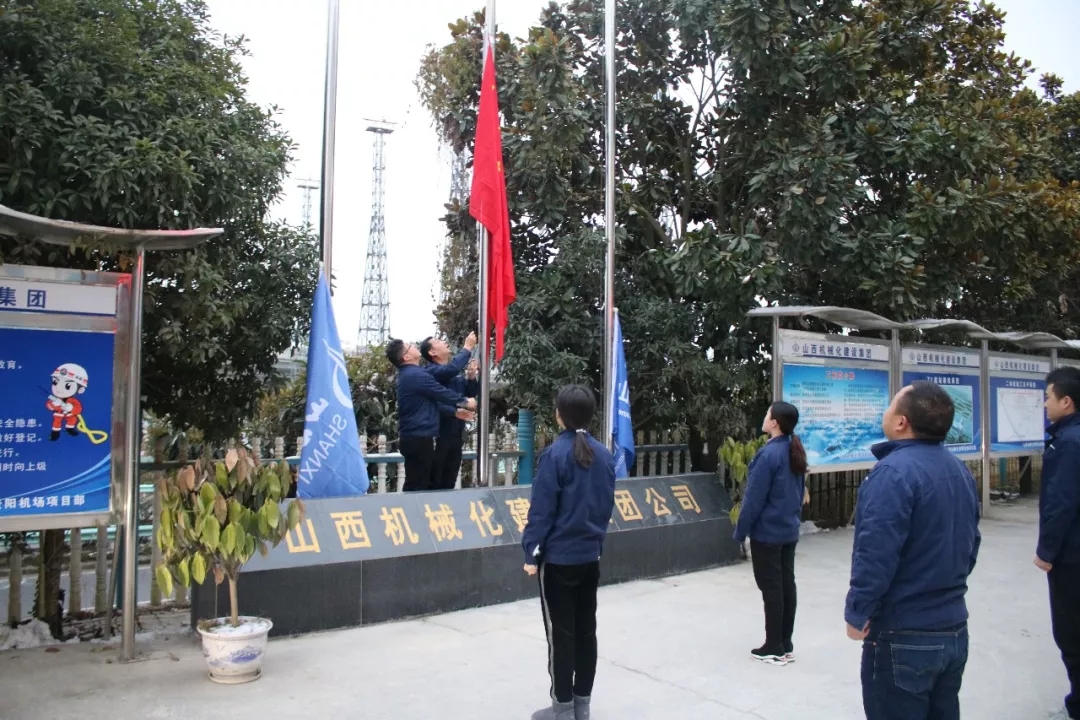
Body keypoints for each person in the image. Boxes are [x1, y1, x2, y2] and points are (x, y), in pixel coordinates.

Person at [846, 381, 981, 720]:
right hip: (954, 630)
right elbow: (970, 544)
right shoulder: (959, 470)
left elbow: (875, 554)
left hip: (903, 635)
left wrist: (858, 611)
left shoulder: (892, 474)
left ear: (901, 422)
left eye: (891, 405)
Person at [521, 385, 616, 720]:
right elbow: (605, 506)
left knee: (560, 636)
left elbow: (542, 511)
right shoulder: (604, 455)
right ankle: (582, 706)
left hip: (559, 561)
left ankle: (562, 709)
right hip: (590, 557)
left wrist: (531, 553)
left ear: (558, 415)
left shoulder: (554, 455)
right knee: (586, 632)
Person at [733, 401, 808, 666]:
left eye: (768, 414)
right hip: (788, 529)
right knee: (786, 585)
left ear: (774, 422)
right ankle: (785, 643)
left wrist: (740, 531)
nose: (765, 417)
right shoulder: (793, 448)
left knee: (772, 589)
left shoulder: (768, 455)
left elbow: (753, 499)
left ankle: (773, 646)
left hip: (768, 533)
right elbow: (799, 492)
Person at [1039, 367, 1080, 720]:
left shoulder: (1068, 443)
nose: (1044, 404)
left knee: (1071, 633)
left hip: (1072, 556)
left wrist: (1046, 551)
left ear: (1066, 401)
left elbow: (1061, 502)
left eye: (1047, 397)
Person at [385, 338, 475, 492]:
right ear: (406, 357)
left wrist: (457, 408)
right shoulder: (416, 375)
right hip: (418, 437)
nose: (414, 345)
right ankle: (411, 507)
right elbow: (440, 392)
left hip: (419, 436)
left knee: (423, 483)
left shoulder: (413, 374)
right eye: (409, 346)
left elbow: (437, 396)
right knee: (418, 485)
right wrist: (464, 401)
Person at [420, 335, 480, 490]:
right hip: (439, 434)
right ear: (432, 352)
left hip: (456, 434)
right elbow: (435, 404)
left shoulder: (452, 373)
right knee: (434, 480)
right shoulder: (431, 372)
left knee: (450, 479)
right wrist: (467, 347)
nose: (445, 342)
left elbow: (470, 393)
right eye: (438, 341)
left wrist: (471, 377)